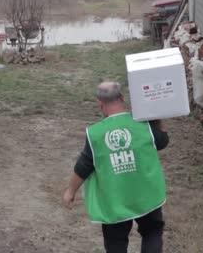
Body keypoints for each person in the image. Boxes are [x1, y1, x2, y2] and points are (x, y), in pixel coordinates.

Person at [62, 81, 169, 253]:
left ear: (100, 103)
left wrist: (70, 191)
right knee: (152, 232)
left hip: (114, 201)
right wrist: (156, 118)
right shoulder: (143, 125)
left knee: (115, 243)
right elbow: (163, 141)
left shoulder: (95, 133)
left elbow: (84, 165)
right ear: (122, 98)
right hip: (147, 195)